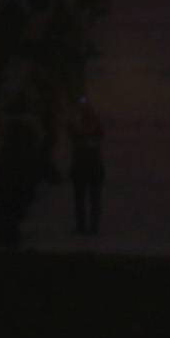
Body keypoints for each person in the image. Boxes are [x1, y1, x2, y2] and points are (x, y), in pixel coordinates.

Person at [67, 95, 107, 236]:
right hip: (94, 166)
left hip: (79, 166)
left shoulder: (75, 129)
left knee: (80, 198)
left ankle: (81, 225)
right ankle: (94, 226)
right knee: (94, 198)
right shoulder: (97, 128)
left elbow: (70, 132)